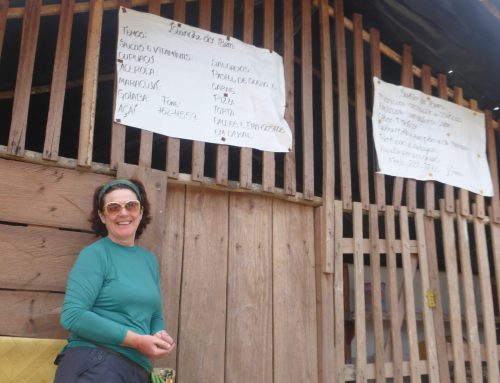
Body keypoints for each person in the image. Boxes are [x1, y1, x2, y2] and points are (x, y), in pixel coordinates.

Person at [53, 179, 175, 383]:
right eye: (113, 208)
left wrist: (160, 335)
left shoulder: (149, 261)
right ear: (102, 216)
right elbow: (72, 316)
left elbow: (154, 315)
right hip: (96, 363)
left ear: (141, 211)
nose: (123, 213)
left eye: (131, 205)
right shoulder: (95, 255)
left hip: (136, 369)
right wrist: (137, 341)